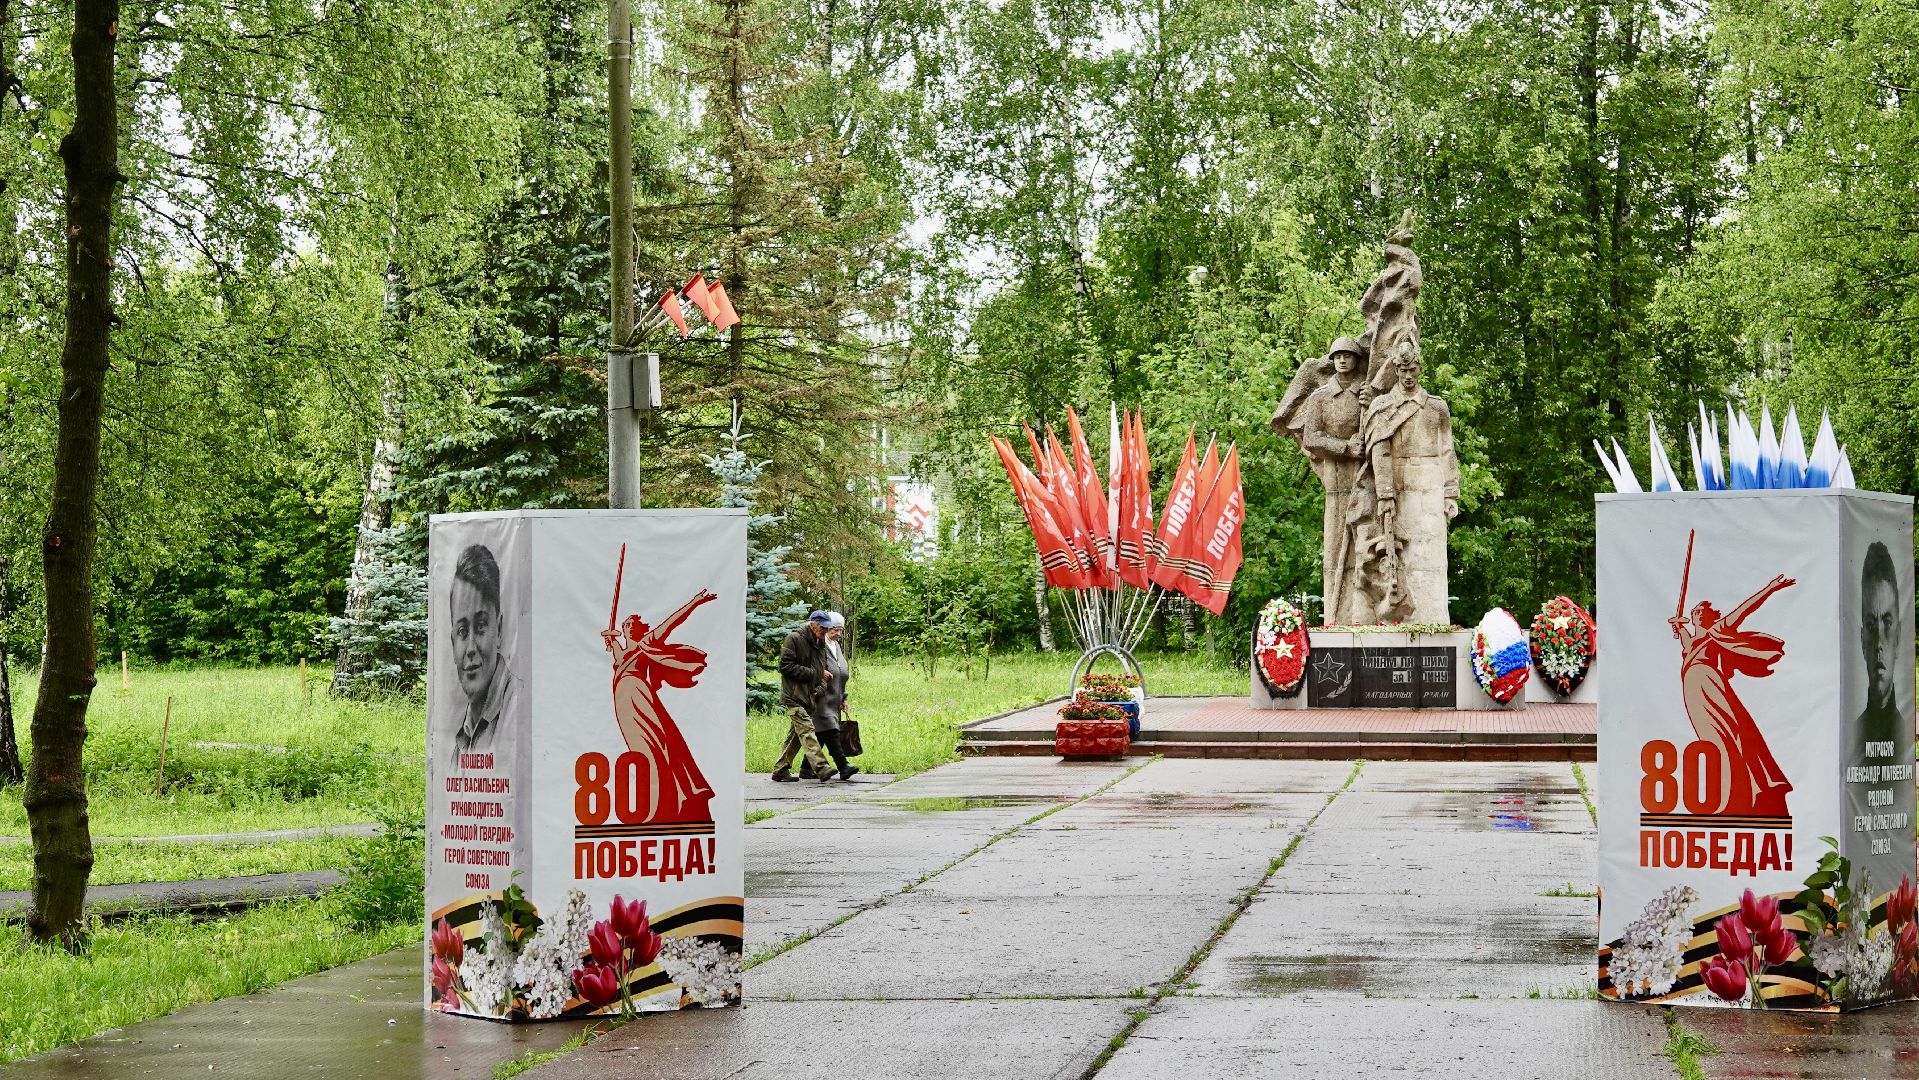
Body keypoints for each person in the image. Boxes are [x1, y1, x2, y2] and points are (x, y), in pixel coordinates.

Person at [1668, 573, 1796, 817]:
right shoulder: (1692, 641)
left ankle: (1739, 795)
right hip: (1694, 690)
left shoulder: (1717, 630)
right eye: (1695, 611)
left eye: (1698, 611)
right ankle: (1727, 794)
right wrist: (1678, 626)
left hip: (1709, 686)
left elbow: (1744, 609)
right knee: (1711, 740)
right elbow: (1685, 640)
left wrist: (1769, 588)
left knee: (1727, 736)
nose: (1695, 613)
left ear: (1703, 616)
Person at [601, 589, 719, 824]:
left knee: (657, 746)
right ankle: (655, 802)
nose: (628, 624)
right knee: (640, 749)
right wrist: (609, 636)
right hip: (625, 703)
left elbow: (672, 621)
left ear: (639, 629)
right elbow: (612, 646)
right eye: (626, 623)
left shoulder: (648, 642)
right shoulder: (621, 652)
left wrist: (694, 602)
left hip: (640, 698)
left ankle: (669, 802)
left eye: (633, 622)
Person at [450, 543, 514, 763]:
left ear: (499, 629)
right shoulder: (464, 736)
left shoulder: (516, 709)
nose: (470, 649)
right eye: (461, 630)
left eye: (480, 627)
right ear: (452, 642)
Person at [771, 612, 836, 783]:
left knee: (795, 737)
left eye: (826, 627)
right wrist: (815, 674)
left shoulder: (820, 642)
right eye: (822, 627)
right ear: (813, 624)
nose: (825, 631)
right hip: (794, 696)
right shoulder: (794, 638)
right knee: (807, 730)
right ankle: (821, 767)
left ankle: (780, 770)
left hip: (809, 697)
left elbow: (823, 669)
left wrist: (819, 688)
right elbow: (785, 666)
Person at [1858, 542, 1904, 747]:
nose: (1878, 643)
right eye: (1870, 626)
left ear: (1898, 637)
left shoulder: (1905, 740)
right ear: (1862, 641)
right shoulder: (1852, 739)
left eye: (1887, 623)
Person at [811, 612, 859, 782]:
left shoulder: (836, 646)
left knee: (821, 734)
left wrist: (844, 698)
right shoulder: (819, 645)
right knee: (831, 730)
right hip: (821, 698)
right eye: (834, 630)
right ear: (826, 628)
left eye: (840, 630)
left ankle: (806, 768)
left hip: (835, 699)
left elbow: (841, 673)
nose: (838, 634)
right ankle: (843, 766)